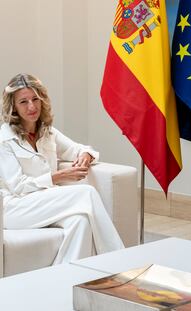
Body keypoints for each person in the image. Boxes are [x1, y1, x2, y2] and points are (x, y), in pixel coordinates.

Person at [0, 73, 124, 264]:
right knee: (86, 193)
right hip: (14, 209)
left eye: (35, 99)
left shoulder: (47, 132)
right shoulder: (5, 139)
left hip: (45, 204)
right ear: (14, 107)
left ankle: (63, 282)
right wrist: (57, 177)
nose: (32, 106)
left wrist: (85, 156)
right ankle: (121, 262)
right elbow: (18, 187)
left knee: (80, 222)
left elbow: (82, 149)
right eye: (23, 102)